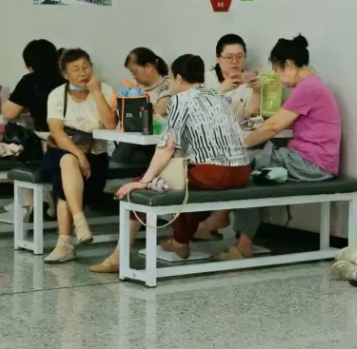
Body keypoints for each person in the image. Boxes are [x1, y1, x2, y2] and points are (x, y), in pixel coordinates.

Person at [90, 55, 251, 274]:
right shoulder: (218, 96)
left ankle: (118, 257)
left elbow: (167, 146)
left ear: (178, 78)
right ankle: (180, 242)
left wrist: (144, 181)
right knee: (182, 184)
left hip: (213, 174)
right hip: (241, 173)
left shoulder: (180, 100)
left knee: (139, 186)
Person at [214, 35, 341, 260]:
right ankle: (230, 228)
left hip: (309, 163)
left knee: (239, 164)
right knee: (245, 164)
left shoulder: (308, 88)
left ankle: (239, 241)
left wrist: (239, 146)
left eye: (277, 70)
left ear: (288, 64)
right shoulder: (313, 85)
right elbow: (284, 122)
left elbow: (273, 127)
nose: (279, 79)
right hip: (311, 161)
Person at [42, 48, 117, 263]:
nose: (82, 72)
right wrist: (79, 156)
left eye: (86, 67)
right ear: (65, 74)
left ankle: (64, 243)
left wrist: (97, 93)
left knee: (64, 180)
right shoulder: (57, 95)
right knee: (68, 160)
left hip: (96, 154)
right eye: (75, 69)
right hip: (60, 151)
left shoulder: (105, 90)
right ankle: (80, 221)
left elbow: (110, 124)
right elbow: (57, 132)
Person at [112, 47, 171, 167]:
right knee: (128, 152)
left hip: (156, 142)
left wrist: (132, 104)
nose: (134, 76)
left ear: (148, 67)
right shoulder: (136, 89)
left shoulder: (168, 86)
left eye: (135, 72)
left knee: (131, 157)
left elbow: (161, 108)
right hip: (134, 141)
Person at [3, 39, 64, 131]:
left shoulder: (30, 80)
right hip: (77, 135)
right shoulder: (68, 76)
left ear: (30, 66)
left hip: (48, 135)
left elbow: (8, 113)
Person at [206, 34, 260, 119]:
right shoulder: (205, 79)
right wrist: (220, 90)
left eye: (239, 57)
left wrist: (256, 93)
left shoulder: (252, 80)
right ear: (218, 58)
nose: (235, 61)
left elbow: (251, 118)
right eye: (229, 57)